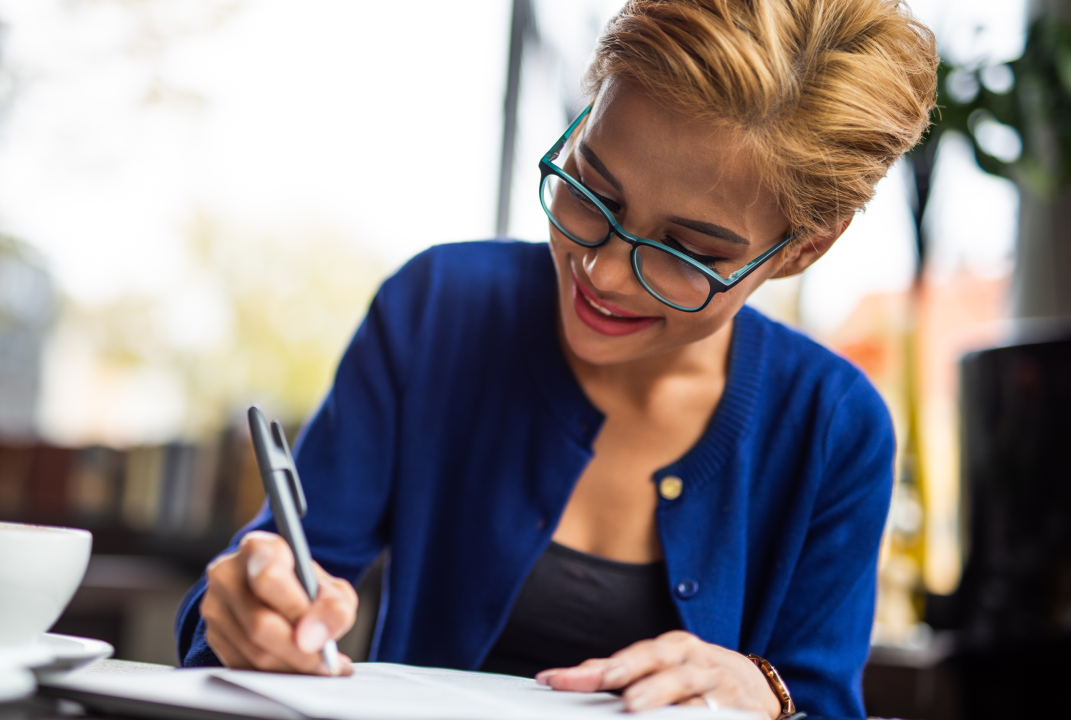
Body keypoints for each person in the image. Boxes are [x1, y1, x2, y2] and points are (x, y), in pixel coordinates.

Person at [175, 1, 937, 717]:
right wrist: (247, 616)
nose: (600, 274)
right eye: (592, 190)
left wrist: (765, 692)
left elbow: (818, 699)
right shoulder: (437, 309)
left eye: (687, 252)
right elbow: (270, 587)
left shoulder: (834, 427)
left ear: (804, 247)